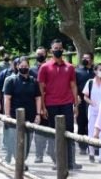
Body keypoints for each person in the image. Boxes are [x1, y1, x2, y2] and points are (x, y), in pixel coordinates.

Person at [38, 39, 82, 170]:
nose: (58, 50)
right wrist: (42, 107)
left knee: (70, 132)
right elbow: (41, 89)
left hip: (67, 103)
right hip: (51, 104)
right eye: (55, 48)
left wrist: (76, 105)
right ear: (51, 51)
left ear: (63, 50)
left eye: (60, 48)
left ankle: (71, 161)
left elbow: (73, 86)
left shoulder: (70, 67)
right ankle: (57, 161)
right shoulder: (44, 67)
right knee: (54, 134)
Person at [3, 57, 42, 166]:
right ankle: (18, 163)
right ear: (17, 66)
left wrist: (38, 114)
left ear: (29, 67)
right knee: (15, 140)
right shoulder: (11, 80)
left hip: (30, 115)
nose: (24, 68)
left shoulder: (34, 81)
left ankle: (22, 160)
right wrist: (7, 115)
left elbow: (38, 98)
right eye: (21, 66)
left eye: (26, 66)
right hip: (15, 116)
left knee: (28, 141)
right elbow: (7, 98)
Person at [82, 63, 101, 164]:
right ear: (95, 71)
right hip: (93, 111)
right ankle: (91, 153)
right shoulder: (90, 82)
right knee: (91, 132)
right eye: (100, 69)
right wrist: (91, 103)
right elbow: (85, 96)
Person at [30, 46, 49, 162]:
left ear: (46, 54)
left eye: (42, 53)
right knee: (39, 130)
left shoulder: (50, 67)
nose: (40, 56)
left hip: (50, 101)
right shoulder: (32, 70)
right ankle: (39, 154)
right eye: (38, 54)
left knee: (51, 128)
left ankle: (53, 153)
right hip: (37, 103)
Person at [75, 52, 95, 155]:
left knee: (92, 124)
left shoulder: (95, 72)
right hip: (81, 101)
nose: (85, 59)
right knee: (81, 123)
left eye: (87, 58)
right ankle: (82, 146)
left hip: (93, 102)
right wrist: (76, 97)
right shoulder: (77, 71)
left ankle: (93, 147)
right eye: (83, 57)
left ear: (92, 60)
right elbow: (73, 86)